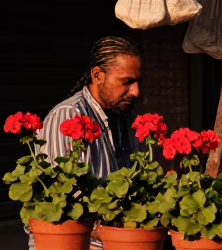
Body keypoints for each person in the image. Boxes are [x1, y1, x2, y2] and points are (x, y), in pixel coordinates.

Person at [40, 35, 144, 176]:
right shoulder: (68, 116)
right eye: (126, 82)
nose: (136, 92)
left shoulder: (126, 113)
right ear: (97, 76)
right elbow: (63, 190)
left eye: (139, 82)